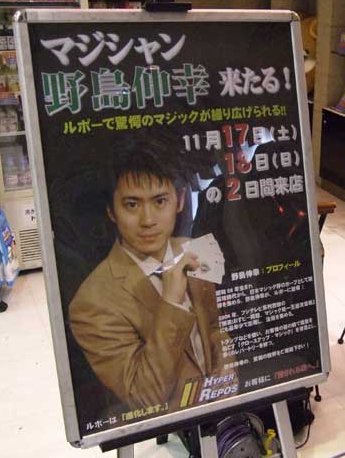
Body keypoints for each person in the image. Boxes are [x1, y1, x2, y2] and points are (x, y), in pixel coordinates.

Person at [69, 136, 234, 414]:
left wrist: (228, 375)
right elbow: (144, 398)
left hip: (225, 408)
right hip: (170, 422)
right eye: (132, 205)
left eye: (160, 201)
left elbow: (217, 329)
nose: (148, 220)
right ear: (111, 211)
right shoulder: (90, 303)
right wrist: (171, 303)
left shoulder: (196, 249)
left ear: (180, 200)